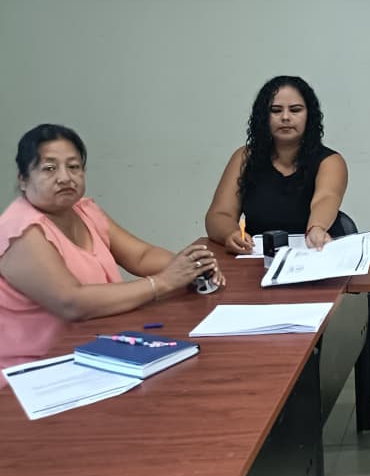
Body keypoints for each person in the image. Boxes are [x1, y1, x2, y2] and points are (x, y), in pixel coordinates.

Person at [0, 124, 224, 376]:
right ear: (23, 179)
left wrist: (193, 268)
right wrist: (162, 282)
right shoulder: (20, 231)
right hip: (36, 373)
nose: (65, 177)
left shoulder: (83, 210)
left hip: (96, 352)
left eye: (73, 166)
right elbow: (71, 303)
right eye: (49, 168)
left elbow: (141, 256)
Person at [206, 76, 348, 252]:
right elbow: (219, 215)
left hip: (314, 252)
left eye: (295, 110)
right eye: (275, 110)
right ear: (263, 116)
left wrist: (316, 228)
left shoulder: (330, 161)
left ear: (309, 116)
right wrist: (231, 234)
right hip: (257, 255)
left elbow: (325, 199)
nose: (285, 117)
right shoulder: (244, 157)